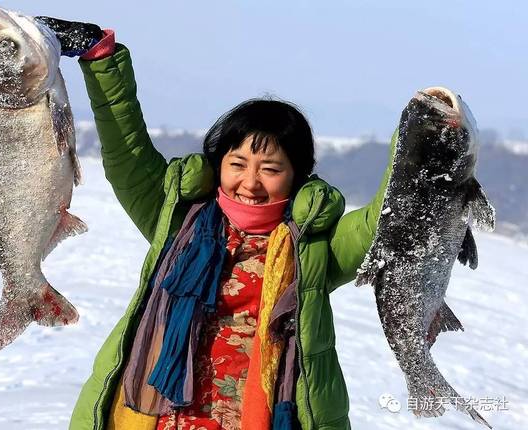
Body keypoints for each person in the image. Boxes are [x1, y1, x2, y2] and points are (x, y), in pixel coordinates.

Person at [36, 16, 395, 430]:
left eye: (271, 169)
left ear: (296, 174)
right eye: (238, 164)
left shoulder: (313, 246)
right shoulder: (178, 221)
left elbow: (378, 224)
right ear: (219, 163)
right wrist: (103, 60)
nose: (250, 183)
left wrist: (417, 148)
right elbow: (127, 156)